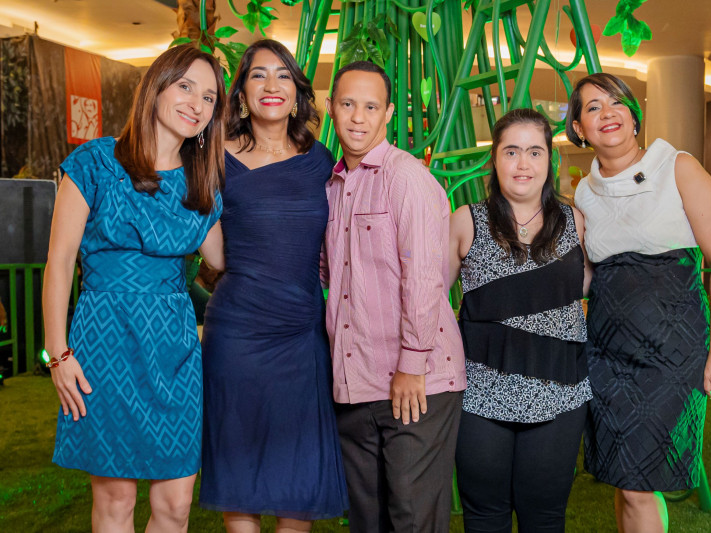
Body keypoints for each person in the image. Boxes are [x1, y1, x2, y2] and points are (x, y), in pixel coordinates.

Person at [43, 44, 226, 532]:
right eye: (185, 86)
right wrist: (58, 355)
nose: (196, 103)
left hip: (176, 355)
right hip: (105, 347)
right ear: (156, 87)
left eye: (209, 97)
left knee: (176, 507)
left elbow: (229, 263)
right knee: (116, 505)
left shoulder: (201, 184)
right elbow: (58, 263)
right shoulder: (96, 162)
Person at [566, 72, 711, 533]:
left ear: (633, 115)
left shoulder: (677, 166)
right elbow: (587, 276)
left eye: (617, 102)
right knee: (624, 482)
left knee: (642, 484)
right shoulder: (585, 192)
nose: (608, 113)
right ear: (579, 128)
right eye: (593, 107)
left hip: (673, 352)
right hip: (606, 352)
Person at [198, 40, 348, 533]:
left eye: (282, 75)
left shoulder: (322, 161)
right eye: (258, 75)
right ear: (240, 90)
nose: (271, 85)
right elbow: (216, 255)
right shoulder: (214, 157)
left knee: (297, 479)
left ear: (297, 91)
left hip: (301, 334)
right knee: (239, 467)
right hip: (237, 334)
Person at [323, 60, 467, 533]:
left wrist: (411, 363)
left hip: (415, 380)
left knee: (412, 518)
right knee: (368, 519)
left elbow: (426, 278)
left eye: (370, 106)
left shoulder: (405, 178)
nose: (358, 117)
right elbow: (334, 273)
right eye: (347, 104)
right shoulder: (332, 185)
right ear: (331, 109)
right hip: (354, 379)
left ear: (387, 113)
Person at [449, 108, 592, 533]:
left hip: (559, 391)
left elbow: (583, 290)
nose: (523, 164)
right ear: (494, 158)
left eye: (535, 151)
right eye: (511, 151)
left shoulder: (575, 222)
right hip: (480, 392)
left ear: (550, 160)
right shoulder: (465, 220)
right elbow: (432, 301)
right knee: (485, 515)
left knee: (545, 517)